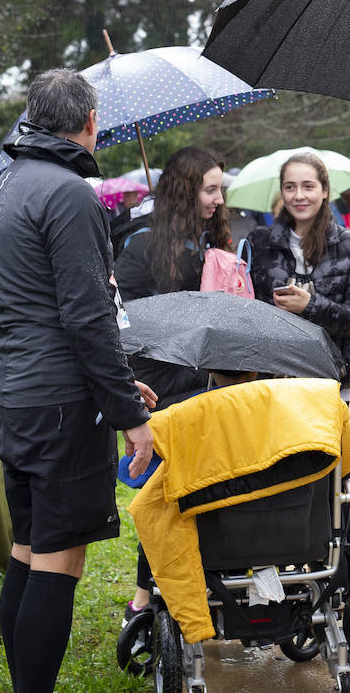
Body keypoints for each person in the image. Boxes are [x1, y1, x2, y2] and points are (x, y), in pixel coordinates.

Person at [0, 68, 156, 693]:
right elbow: (86, 318)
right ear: (88, 125)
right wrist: (130, 416)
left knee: (28, 551)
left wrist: (125, 388)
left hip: (19, 399)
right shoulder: (71, 194)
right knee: (58, 562)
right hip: (61, 406)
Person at [114, 146, 230, 621]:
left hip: (202, 383)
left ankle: (193, 585)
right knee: (168, 497)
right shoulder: (141, 248)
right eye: (210, 188)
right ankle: (144, 600)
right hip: (162, 387)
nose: (220, 198)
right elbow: (124, 325)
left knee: (197, 492)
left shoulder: (204, 241)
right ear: (186, 192)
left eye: (221, 188)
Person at [247, 152, 350, 404]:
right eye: (290, 187)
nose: (299, 196)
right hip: (275, 380)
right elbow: (249, 311)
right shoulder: (260, 242)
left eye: (308, 186)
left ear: (325, 191)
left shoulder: (348, 243)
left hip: (331, 379)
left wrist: (310, 306)